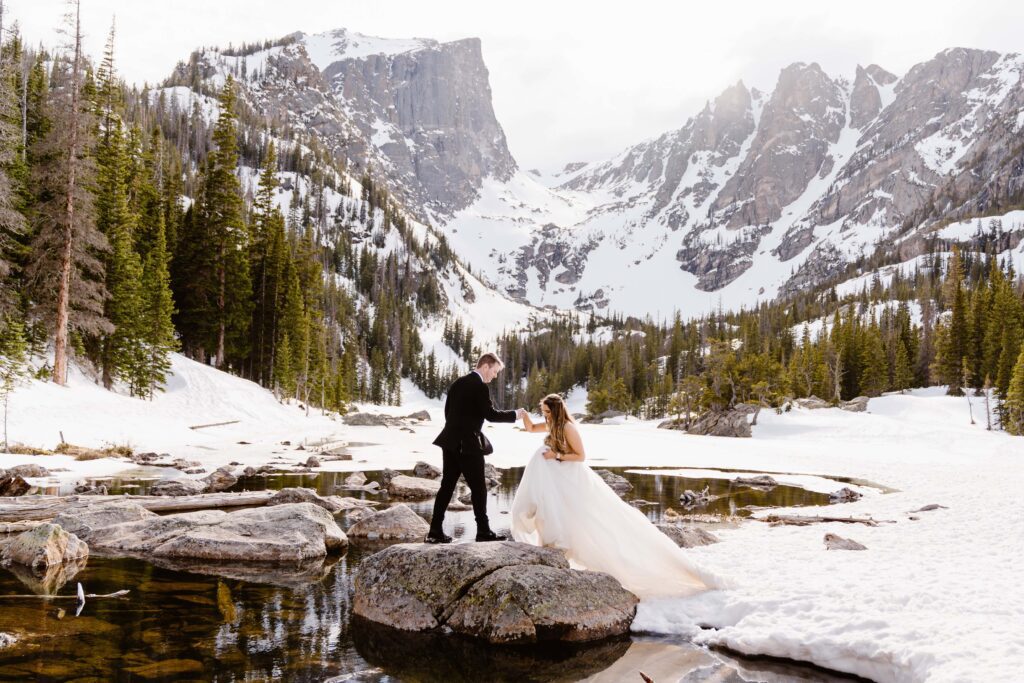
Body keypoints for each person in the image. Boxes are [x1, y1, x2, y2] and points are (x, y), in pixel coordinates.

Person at [510, 393, 710, 598]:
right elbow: (531, 428)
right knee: (557, 513)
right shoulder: (551, 424)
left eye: (547, 412)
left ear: (556, 410)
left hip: (571, 478)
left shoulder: (568, 427)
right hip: (557, 480)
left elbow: (580, 456)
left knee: (588, 519)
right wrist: (524, 415)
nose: (545, 416)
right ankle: (557, 546)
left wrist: (556, 455)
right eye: (543, 413)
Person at [427, 353, 526, 543]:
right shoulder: (479, 386)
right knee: (479, 488)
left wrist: (457, 430)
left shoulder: (458, 383)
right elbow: (490, 414)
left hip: (450, 441)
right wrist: (515, 414)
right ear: (486, 366)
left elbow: (448, 412)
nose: (495, 376)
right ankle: (483, 531)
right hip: (468, 445)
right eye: (495, 371)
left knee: (447, 486)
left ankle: (434, 530)